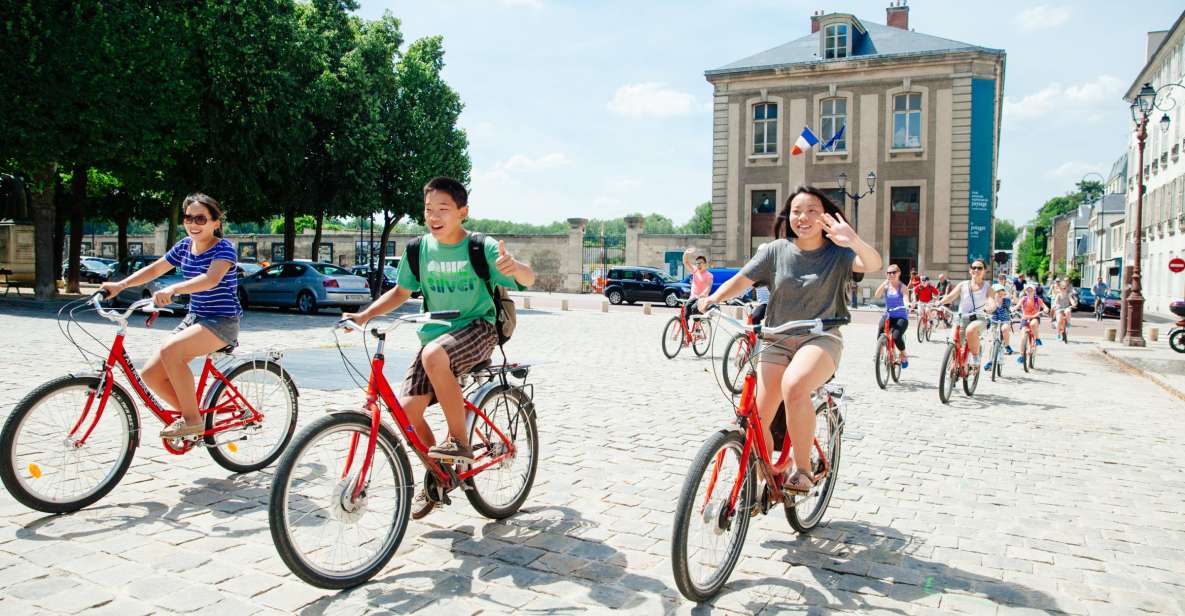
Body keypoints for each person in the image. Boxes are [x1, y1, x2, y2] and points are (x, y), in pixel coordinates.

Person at [343, 177, 535, 519]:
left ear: (462, 212)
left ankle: (459, 442)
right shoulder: (418, 250)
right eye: (428, 209)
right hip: (435, 334)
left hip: (478, 327)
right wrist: (365, 314)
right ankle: (439, 475)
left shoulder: (481, 246)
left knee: (435, 355)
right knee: (406, 413)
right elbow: (401, 292)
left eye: (443, 209)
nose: (434, 215)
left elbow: (528, 277)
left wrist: (515, 268)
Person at [697, 186, 882, 493]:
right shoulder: (776, 250)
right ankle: (766, 473)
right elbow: (741, 280)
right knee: (758, 416)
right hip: (776, 338)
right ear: (788, 216)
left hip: (820, 338)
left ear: (824, 217)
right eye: (797, 211)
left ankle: (804, 470)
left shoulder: (838, 253)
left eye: (812, 210)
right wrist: (711, 299)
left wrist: (853, 239)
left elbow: (873, 264)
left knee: (795, 386)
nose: (803, 217)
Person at [99, 194, 241, 438]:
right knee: (151, 375)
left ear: (215, 223)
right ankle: (198, 416)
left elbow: (210, 279)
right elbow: (155, 269)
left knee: (171, 352)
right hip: (195, 318)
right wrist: (120, 285)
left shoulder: (224, 248)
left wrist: (174, 288)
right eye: (188, 218)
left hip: (222, 321)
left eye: (200, 218)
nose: (193, 223)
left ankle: (193, 420)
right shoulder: (185, 245)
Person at [938, 259, 991, 369]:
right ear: (970, 270)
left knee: (970, 330)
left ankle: (975, 357)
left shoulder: (987, 287)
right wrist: (939, 302)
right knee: (954, 341)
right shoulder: (963, 285)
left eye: (979, 268)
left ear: (985, 271)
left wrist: (989, 308)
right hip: (962, 318)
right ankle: (955, 364)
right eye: (974, 268)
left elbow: (992, 301)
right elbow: (950, 297)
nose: (976, 270)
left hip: (979, 318)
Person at [875, 265, 910, 369]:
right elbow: (877, 295)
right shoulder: (886, 286)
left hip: (901, 317)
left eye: (893, 272)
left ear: (899, 273)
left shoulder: (902, 287)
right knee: (881, 330)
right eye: (888, 273)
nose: (891, 275)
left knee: (896, 336)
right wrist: (884, 283)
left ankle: (903, 354)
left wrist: (907, 304)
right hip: (888, 315)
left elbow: (906, 298)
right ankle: (879, 355)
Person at [982, 284, 1014, 372]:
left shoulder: (1006, 300)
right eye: (997, 292)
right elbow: (988, 309)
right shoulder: (991, 301)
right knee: (992, 342)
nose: (999, 293)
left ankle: (1007, 346)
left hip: (1005, 321)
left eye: (1001, 291)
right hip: (994, 322)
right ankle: (990, 361)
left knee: (1005, 329)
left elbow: (1012, 305)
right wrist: (986, 310)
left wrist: (1013, 308)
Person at [1016, 283, 1048, 360]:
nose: (1029, 291)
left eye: (1031, 290)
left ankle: (1037, 339)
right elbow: (1017, 306)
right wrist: (1013, 309)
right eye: (1028, 290)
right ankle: (1021, 355)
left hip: (1035, 317)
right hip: (1025, 318)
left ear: (1034, 291)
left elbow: (1044, 306)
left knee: (1033, 324)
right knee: (1023, 337)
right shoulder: (1024, 299)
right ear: (1025, 291)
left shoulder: (1037, 299)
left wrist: (1046, 309)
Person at [682, 248, 713, 323]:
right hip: (692, 298)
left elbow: (708, 287)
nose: (698, 265)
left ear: (705, 264)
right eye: (697, 263)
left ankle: (698, 328)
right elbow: (686, 262)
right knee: (685, 313)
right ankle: (686, 331)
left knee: (694, 310)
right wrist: (685, 254)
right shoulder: (695, 270)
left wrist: (704, 294)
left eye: (700, 263)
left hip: (701, 299)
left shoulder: (709, 275)